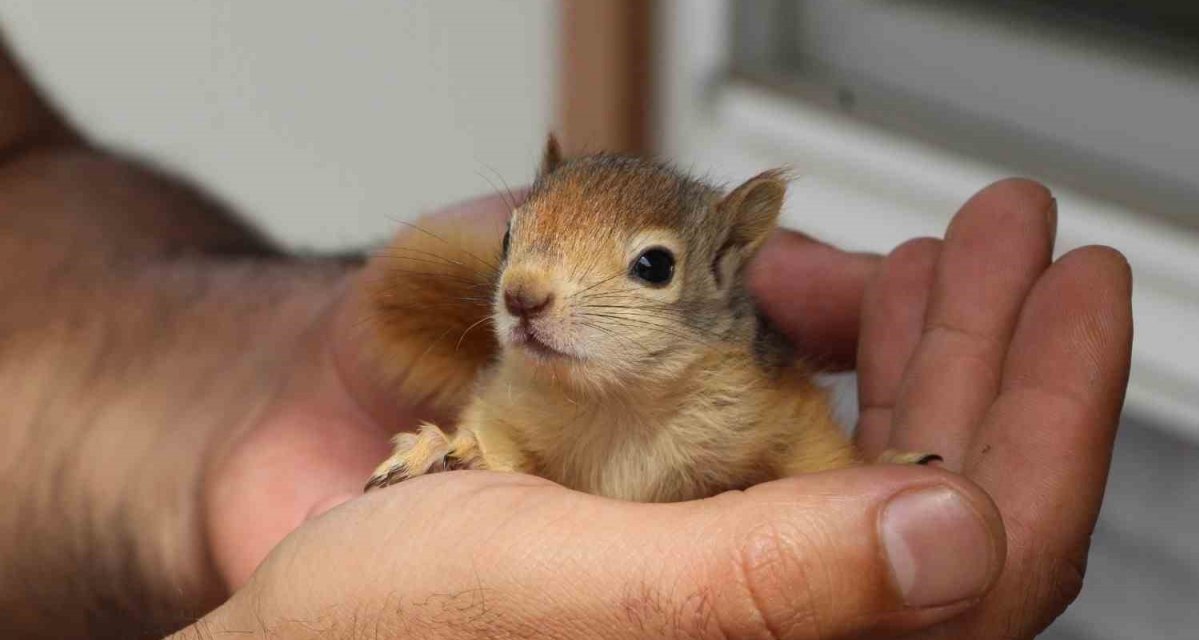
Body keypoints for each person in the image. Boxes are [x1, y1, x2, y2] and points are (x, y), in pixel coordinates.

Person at [0, 34, 1131, 640]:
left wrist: (248, 405)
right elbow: (501, 426)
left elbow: (797, 449)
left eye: (645, 267)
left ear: (720, 270)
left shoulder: (729, 386)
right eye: (521, 257)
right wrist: (463, 456)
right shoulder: (526, 387)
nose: (526, 297)